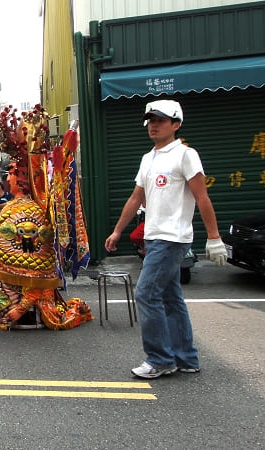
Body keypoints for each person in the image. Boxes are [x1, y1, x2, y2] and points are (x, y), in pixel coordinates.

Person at [104, 99, 227, 379]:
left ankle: (160, 359)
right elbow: (137, 198)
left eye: (160, 120)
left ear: (176, 124)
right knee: (171, 299)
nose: (154, 125)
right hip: (154, 237)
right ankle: (186, 358)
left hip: (172, 238)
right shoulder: (149, 158)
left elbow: (202, 197)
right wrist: (118, 230)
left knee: (146, 294)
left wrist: (214, 237)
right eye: (150, 119)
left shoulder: (185, 154)